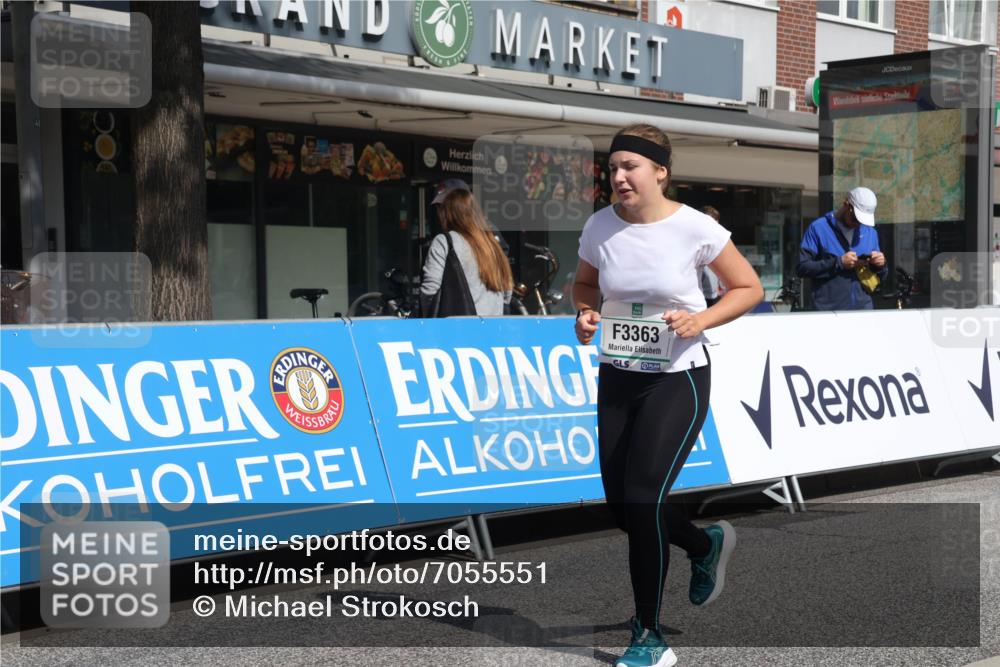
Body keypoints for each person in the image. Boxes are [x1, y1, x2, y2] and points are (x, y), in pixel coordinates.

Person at [573, 124, 763, 667]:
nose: (619, 177)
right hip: (618, 375)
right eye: (613, 168)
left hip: (677, 376)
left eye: (630, 166)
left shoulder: (694, 227)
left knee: (642, 497)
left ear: (661, 171)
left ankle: (648, 636)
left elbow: (748, 287)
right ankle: (704, 547)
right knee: (623, 508)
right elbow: (586, 287)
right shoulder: (600, 226)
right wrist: (586, 314)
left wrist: (699, 318)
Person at [420, 186, 512, 316]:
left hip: (458, 329)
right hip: (494, 329)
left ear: (448, 214)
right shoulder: (492, 243)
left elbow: (430, 290)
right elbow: (507, 291)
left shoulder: (445, 241)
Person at [796, 187, 887, 310]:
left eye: (862, 221)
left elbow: (881, 276)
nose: (858, 224)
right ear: (846, 204)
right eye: (856, 218)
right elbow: (802, 268)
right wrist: (838, 263)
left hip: (863, 311)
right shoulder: (818, 228)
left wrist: (880, 265)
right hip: (828, 312)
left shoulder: (870, 232)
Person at [699, 206, 724, 306]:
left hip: (715, 296)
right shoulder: (693, 243)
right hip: (699, 298)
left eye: (716, 223)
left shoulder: (719, 242)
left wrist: (720, 287)